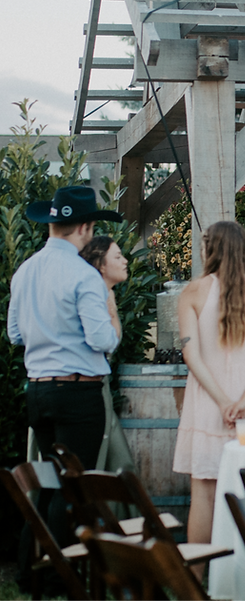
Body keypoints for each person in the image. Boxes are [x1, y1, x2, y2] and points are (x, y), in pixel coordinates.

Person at [8, 186, 122, 552]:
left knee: (49, 483)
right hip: (77, 393)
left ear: (53, 224)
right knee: (73, 486)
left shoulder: (25, 270)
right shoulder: (84, 274)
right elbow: (101, 340)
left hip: (38, 390)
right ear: (85, 228)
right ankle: (60, 570)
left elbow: (14, 334)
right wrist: (113, 327)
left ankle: (32, 566)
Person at [173, 221, 245, 574]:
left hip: (207, 404)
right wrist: (244, 401)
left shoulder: (193, 292)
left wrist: (221, 401)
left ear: (209, 249)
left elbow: (191, 356)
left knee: (203, 494)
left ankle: (197, 580)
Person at [78, 236, 136, 476]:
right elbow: (105, 344)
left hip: (102, 384)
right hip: (90, 385)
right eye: (118, 256)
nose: (125, 261)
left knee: (116, 460)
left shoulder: (108, 294)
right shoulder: (94, 296)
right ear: (101, 265)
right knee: (113, 461)